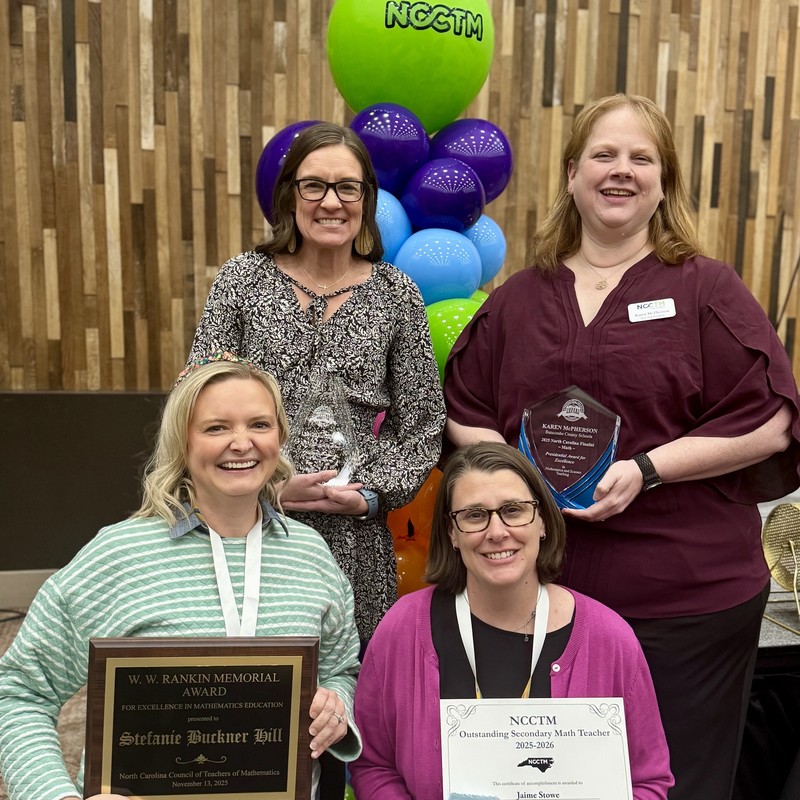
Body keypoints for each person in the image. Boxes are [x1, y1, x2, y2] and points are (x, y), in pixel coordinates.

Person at [444, 93, 800, 800]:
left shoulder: (705, 289)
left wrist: (648, 469)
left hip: (685, 600)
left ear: (663, 182)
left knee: (675, 781)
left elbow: (773, 419)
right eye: (603, 155)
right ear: (573, 175)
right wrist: (521, 487)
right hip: (538, 593)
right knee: (546, 783)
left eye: (642, 158)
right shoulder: (518, 299)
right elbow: (464, 411)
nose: (621, 171)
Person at [0, 353, 361, 800]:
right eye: (216, 428)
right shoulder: (119, 555)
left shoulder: (309, 554)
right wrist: (56, 796)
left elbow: (340, 669)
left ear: (280, 437)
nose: (242, 442)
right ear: (181, 443)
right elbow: (18, 694)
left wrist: (335, 703)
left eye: (259, 425)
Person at [189, 121, 446, 647]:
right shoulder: (243, 279)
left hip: (353, 541)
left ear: (366, 199)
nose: (331, 202)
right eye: (314, 185)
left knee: (346, 692)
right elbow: (196, 401)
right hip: (246, 526)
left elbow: (421, 425)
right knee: (249, 684)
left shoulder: (398, 295)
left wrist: (372, 497)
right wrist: (264, 487)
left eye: (347, 187)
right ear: (290, 194)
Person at [349, 441, 673, 800]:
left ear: (544, 522)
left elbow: (647, 782)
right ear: (452, 533)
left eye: (513, 510)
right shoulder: (404, 629)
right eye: (474, 515)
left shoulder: (609, 639)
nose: (497, 532)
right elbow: (373, 765)